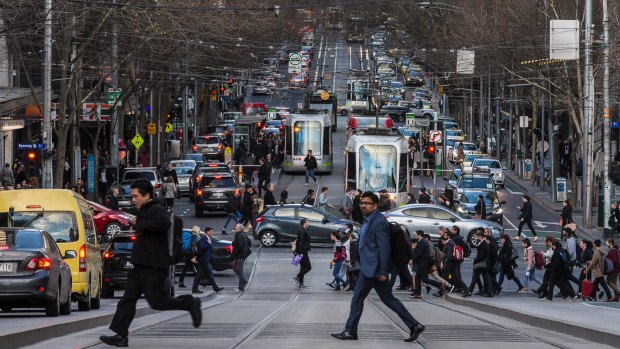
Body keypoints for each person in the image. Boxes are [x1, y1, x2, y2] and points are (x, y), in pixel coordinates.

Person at [99, 179, 201, 347]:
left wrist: (139, 223)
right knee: (127, 299)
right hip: (140, 265)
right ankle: (120, 335)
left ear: (147, 195)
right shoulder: (146, 209)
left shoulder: (155, 209)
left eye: (136, 196)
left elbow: (164, 223)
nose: (134, 200)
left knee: (158, 302)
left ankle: (190, 302)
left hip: (153, 266)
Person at [331, 192, 425, 343]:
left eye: (366, 203)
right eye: (361, 203)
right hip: (370, 266)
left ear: (375, 205)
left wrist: (382, 271)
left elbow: (384, 248)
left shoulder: (379, 221)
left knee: (357, 298)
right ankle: (414, 325)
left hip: (373, 269)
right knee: (388, 299)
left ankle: (350, 331)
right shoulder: (368, 220)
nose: (362, 205)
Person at [411, 230, 444, 298]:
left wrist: (413, 249)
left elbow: (419, 254)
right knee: (417, 278)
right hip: (422, 263)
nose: (415, 236)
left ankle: (440, 285)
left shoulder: (422, 242)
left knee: (425, 279)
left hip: (423, 264)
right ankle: (417, 293)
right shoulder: (422, 241)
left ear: (419, 235)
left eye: (416, 235)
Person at [192, 227, 224, 294]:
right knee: (209, 274)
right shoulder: (204, 239)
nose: (212, 233)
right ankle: (215, 288)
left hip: (205, 260)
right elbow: (202, 247)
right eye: (211, 231)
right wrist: (208, 244)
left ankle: (194, 289)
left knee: (199, 275)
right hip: (204, 260)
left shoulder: (207, 239)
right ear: (207, 232)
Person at [441, 226, 470, 296]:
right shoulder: (451, 242)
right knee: (455, 277)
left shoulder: (450, 243)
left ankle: (444, 290)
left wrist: (445, 263)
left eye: (445, 235)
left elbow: (449, 255)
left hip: (450, 263)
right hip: (454, 263)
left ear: (448, 236)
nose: (444, 236)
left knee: (444, 277)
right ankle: (466, 291)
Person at [468, 231, 493, 297]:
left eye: (477, 236)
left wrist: (475, 261)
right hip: (485, 264)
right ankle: (490, 292)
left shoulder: (482, 244)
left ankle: (469, 291)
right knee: (487, 278)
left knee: (474, 277)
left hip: (480, 264)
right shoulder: (485, 243)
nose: (476, 237)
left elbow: (481, 256)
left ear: (480, 236)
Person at [293, 218, 312, 288]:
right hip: (303, 252)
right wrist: (301, 253)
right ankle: (297, 277)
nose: (308, 223)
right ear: (304, 223)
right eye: (307, 222)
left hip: (301, 251)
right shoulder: (303, 231)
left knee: (303, 267)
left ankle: (301, 283)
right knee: (308, 267)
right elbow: (300, 242)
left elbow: (299, 242)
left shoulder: (301, 230)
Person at [231, 224, 249, 292]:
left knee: (239, 270)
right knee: (235, 268)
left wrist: (235, 252)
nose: (235, 228)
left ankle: (241, 288)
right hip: (241, 255)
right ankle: (245, 282)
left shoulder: (239, 235)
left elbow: (240, 245)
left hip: (240, 256)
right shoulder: (241, 234)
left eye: (236, 227)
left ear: (239, 229)